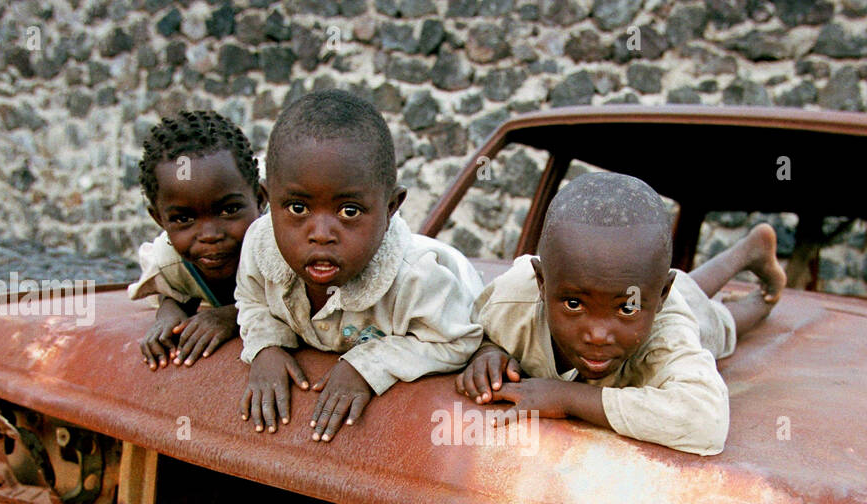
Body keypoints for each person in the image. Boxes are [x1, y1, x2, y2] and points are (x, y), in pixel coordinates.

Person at [456, 172, 784, 456]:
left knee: (716, 324)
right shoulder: (512, 299)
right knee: (675, 290)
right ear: (541, 282)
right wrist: (488, 349)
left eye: (625, 309)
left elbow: (706, 423)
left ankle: (764, 298)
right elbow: (474, 325)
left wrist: (567, 397)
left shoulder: (668, 329)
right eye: (574, 304)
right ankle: (748, 251)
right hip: (643, 288)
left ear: (661, 298)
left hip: (670, 302)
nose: (598, 334)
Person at [236, 89, 483, 443]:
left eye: (349, 211)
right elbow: (251, 299)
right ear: (267, 200)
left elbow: (457, 340)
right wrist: (265, 346)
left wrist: (369, 364)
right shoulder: (261, 246)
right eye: (296, 208)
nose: (320, 234)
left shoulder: (418, 278)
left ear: (391, 207)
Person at [130, 110, 266, 370]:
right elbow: (170, 289)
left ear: (260, 199)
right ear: (159, 220)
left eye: (228, 210)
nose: (210, 235)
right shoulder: (168, 258)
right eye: (183, 219)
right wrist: (169, 312)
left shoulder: (282, 248)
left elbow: (306, 306)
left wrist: (231, 317)